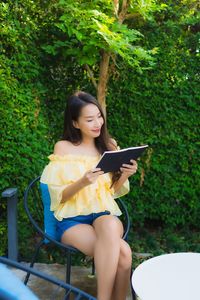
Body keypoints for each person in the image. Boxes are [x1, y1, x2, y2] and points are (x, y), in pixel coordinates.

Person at [40, 91, 138, 300]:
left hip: (103, 215)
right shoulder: (63, 148)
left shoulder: (109, 146)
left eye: (99, 117)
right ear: (75, 123)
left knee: (111, 225)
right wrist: (83, 181)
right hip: (72, 221)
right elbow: (60, 197)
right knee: (124, 254)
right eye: (89, 119)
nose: (97, 123)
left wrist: (125, 175)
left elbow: (111, 192)